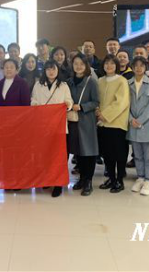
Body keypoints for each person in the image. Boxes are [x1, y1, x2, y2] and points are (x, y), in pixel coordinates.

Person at [31, 59, 73, 197]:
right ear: (44, 71)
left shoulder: (63, 85)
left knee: (58, 156)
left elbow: (69, 101)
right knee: (45, 154)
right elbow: (33, 100)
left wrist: (68, 104)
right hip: (42, 125)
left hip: (58, 125)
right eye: (48, 69)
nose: (51, 71)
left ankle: (58, 183)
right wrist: (35, 105)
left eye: (53, 68)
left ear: (58, 70)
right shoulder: (38, 85)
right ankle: (47, 179)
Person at [96, 55, 130, 193]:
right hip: (102, 123)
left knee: (119, 154)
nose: (109, 66)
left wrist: (105, 115)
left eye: (112, 63)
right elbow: (97, 99)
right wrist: (97, 111)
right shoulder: (100, 81)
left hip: (117, 123)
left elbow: (121, 102)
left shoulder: (122, 80)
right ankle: (111, 178)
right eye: (106, 63)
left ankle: (120, 180)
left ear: (116, 65)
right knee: (107, 153)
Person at [67, 54, 99, 196]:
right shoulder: (68, 82)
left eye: (81, 64)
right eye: (76, 63)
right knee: (78, 151)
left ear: (86, 66)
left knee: (89, 152)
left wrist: (82, 107)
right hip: (73, 121)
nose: (78, 66)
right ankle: (81, 178)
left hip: (87, 120)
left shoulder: (91, 82)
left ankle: (88, 181)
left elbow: (96, 102)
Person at [127, 57, 149, 196]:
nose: (138, 68)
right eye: (136, 65)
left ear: (146, 67)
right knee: (138, 155)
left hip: (148, 124)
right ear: (132, 67)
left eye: (141, 65)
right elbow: (125, 103)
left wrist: (140, 120)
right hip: (132, 123)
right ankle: (140, 177)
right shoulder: (128, 83)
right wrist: (131, 119)